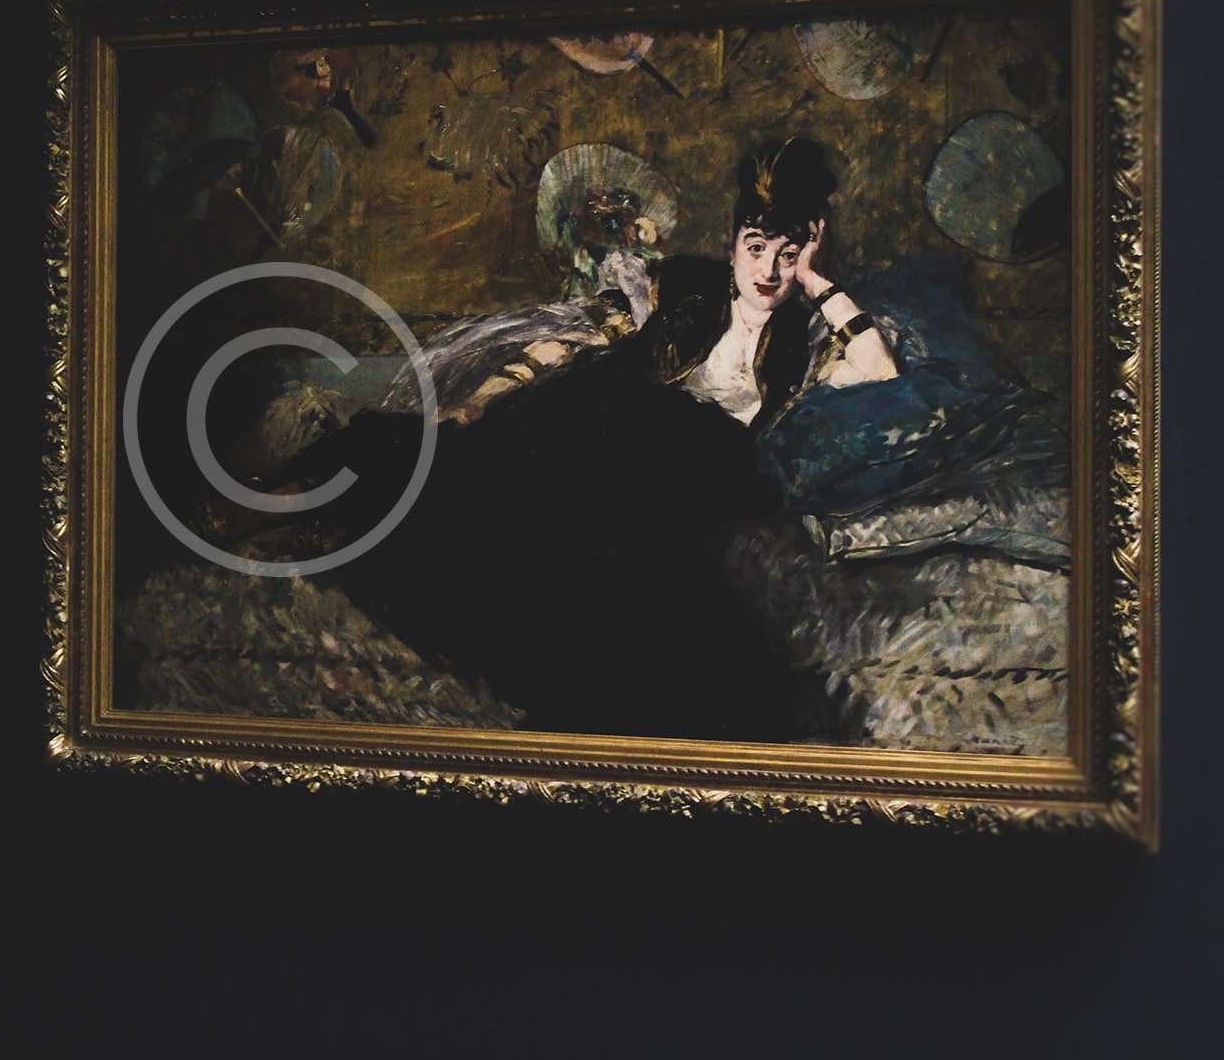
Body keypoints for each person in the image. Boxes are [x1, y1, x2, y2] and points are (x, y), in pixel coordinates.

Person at [224, 137, 900, 737]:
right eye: (756, 248)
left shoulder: (805, 337)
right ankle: (279, 502)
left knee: (619, 573)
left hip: (690, 469)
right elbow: (566, 344)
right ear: (733, 242)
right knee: (452, 460)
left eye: (788, 255)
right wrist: (476, 403)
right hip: (607, 422)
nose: (769, 271)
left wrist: (819, 281)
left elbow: (882, 375)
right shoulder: (682, 285)